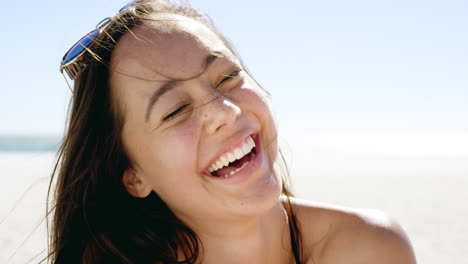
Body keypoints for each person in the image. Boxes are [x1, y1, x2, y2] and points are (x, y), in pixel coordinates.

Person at [48, 0, 417, 263]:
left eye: (228, 77)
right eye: (176, 110)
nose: (225, 111)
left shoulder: (370, 249)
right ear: (131, 175)